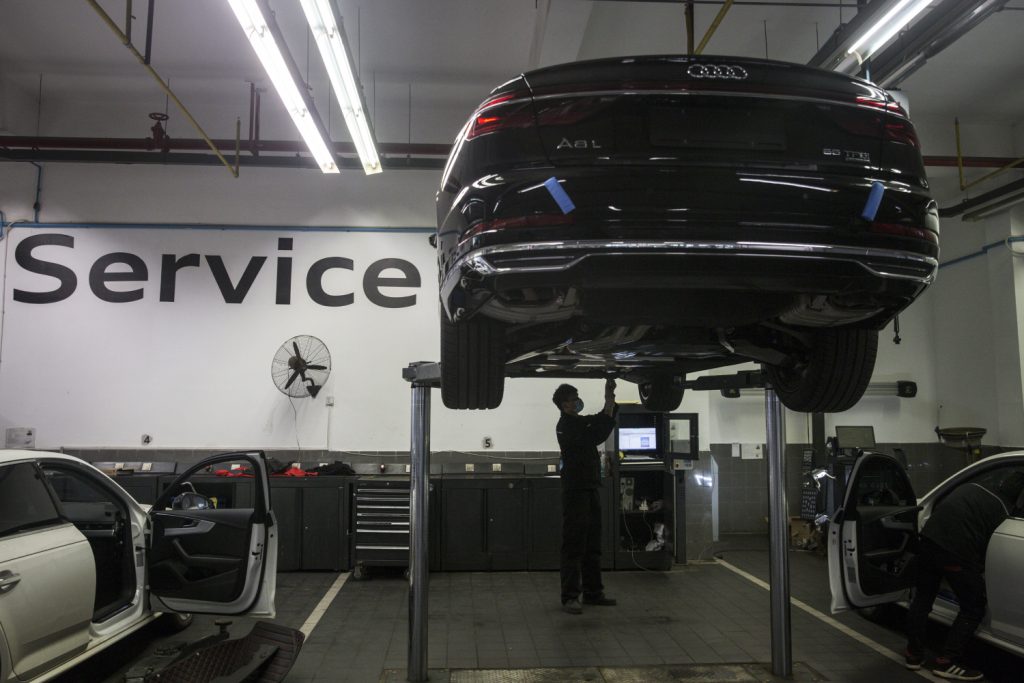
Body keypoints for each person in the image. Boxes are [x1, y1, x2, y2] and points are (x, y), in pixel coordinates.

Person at [905, 469, 1024, 681]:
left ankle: (913, 655)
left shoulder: (971, 487)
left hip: (928, 542)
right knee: (974, 606)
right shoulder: (1002, 510)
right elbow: (987, 550)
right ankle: (947, 662)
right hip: (954, 554)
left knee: (923, 598)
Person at [553, 378, 618, 614]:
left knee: (592, 543)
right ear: (563, 404)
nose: (577, 401)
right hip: (575, 492)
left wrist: (609, 397)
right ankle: (570, 596)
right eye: (572, 399)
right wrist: (605, 413)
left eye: (577, 397)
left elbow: (601, 420)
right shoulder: (566, 426)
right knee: (573, 545)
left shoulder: (579, 422)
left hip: (590, 489)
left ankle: (593, 593)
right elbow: (597, 433)